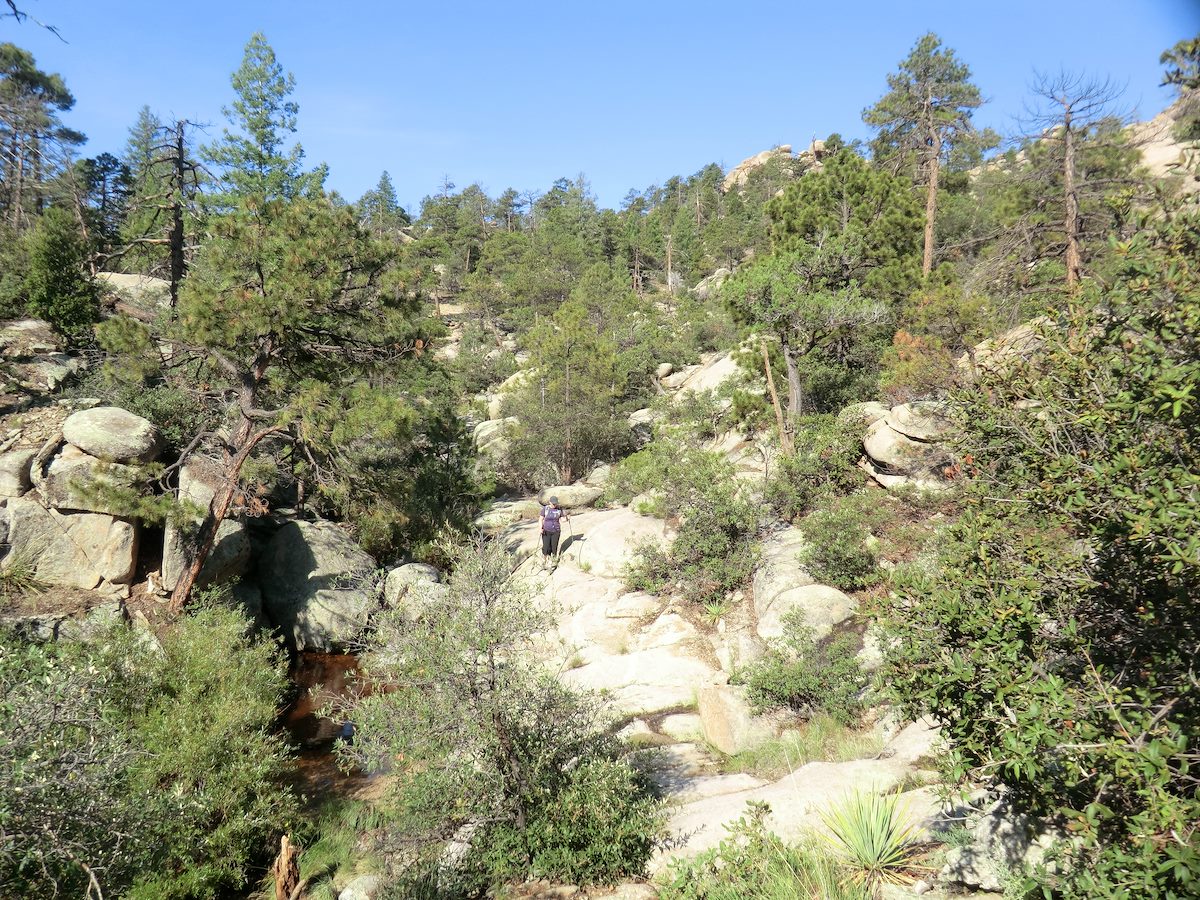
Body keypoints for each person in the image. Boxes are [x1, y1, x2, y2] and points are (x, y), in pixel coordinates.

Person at [538, 495, 569, 569]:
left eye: (556, 503)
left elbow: (562, 520)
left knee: (554, 547)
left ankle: (553, 562)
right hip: (546, 530)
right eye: (553, 503)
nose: (555, 505)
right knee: (546, 547)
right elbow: (541, 519)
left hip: (556, 531)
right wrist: (540, 528)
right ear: (550, 502)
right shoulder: (545, 509)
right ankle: (544, 561)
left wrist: (567, 518)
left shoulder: (559, 509)